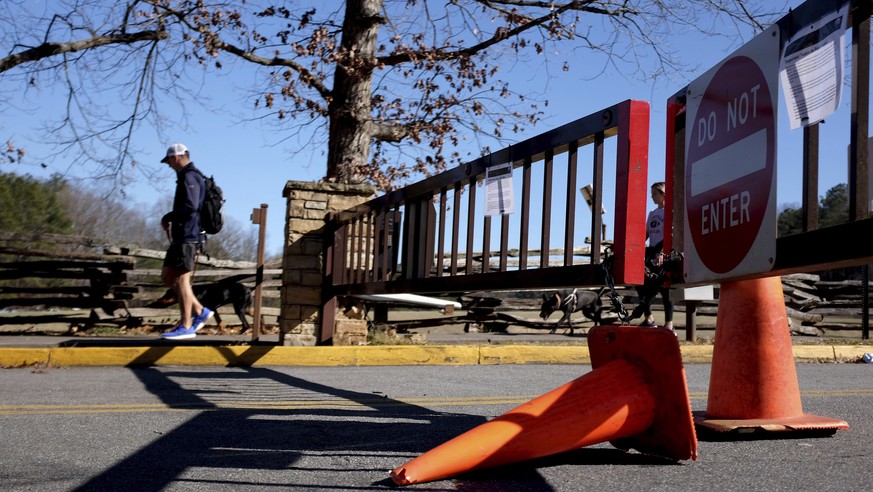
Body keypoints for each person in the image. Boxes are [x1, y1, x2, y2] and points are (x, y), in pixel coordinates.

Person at [159, 143, 213, 340]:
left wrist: (168, 217)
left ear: (176, 158)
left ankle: (186, 325)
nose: (168, 166)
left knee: (182, 280)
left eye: (168, 162)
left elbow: (191, 207)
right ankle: (200, 311)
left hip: (189, 236)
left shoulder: (190, 176)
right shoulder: (185, 176)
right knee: (167, 276)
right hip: (181, 236)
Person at [632, 181, 674, 331]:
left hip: (665, 254)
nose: (652, 197)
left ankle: (669, 323)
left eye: (655, 193)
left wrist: (662, 252)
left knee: (665, 289)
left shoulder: (670, 212)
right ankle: (648, 318)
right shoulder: (652, 214)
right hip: (651, 254)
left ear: (663, 194)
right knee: (641, 284)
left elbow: (671, 235)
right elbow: (645, 234)